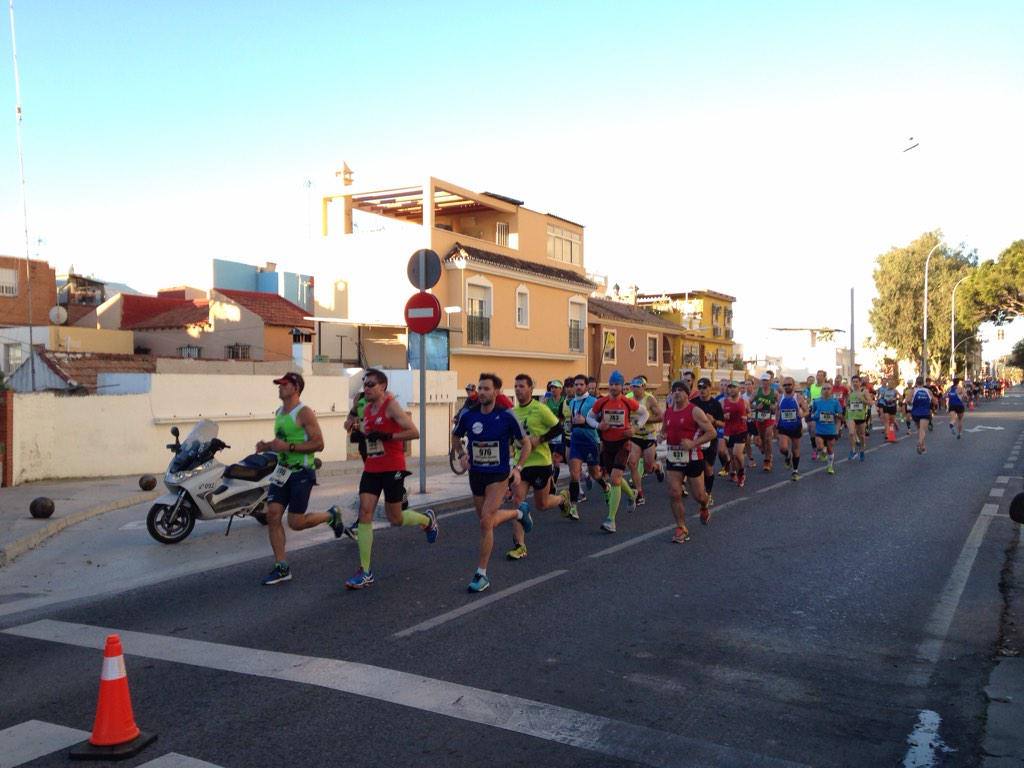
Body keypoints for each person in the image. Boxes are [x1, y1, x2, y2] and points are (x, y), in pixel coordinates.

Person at [343, 369, 438, 589]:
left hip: (393, 466)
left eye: (371, 384)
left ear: (383, 386)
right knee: (364, 512)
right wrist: (356, 429)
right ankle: (365, 571)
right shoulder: (366, 408)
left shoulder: (391, 405)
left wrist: (388, 436)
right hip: (372, 466)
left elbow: (414, 432)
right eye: (365, 384)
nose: (366, 388)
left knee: (395, 517)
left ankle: (427, 521)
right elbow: (364, 428)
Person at [258, 372, 344, 585]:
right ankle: (281, 567)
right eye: (279, 384)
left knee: (295, 523)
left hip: (301, 472)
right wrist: (267, 446)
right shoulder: (279, 412)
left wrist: (288, 447)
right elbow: (281, 441)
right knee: (272, 515)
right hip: (282, 471)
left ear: (296, 388)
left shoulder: (304, 413)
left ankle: (331, 515)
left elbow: (319, 444)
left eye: (284, 384)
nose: (280, 387)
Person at [452, 373, 535, 593]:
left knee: (486, 521)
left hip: (498, 475)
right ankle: (518, 513)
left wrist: (518, 468)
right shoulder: (468, 414)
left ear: (496, 392)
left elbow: (526, 444)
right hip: (476, 474)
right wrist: (461, 454)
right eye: (480, 388)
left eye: (486, 389)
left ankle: (481, 574)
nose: (481, 392)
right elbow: (455, 436)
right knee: (485, 520)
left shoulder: (506, 415)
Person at [507, 374, 571, 561]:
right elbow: (511, 437)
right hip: (521, 464)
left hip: (541, 462)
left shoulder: (540, 409)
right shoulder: (512, 413)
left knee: (541, 505)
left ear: (530, 389)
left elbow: (558, 428)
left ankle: (562, 499)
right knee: (517, 501)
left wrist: (540, 439)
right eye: (516, 386)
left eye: (522, 386)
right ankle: (520, 546)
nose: (518, 389)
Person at [661, 380, 716, 540]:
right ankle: (681, 527)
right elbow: (664, 430)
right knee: (674, 493)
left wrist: (693, 443)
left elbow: (711, 432)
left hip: (693, 458)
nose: (677, 393)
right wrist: (661, 436)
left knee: (699, 496)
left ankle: (704, 505)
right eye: (674, 390)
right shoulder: (668, 412)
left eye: (680, 390)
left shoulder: (695, 411)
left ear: (687, 394)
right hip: (673, 457)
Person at [590, 370, 642, 533]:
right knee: (615, 479)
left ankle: (611, 520)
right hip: (607, 444)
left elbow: (645, 413)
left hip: (622, 444)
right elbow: (590, 417)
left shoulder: (627, 402)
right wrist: (598, 425)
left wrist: (635, 428)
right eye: (611, 384)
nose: (613, 387)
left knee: (614, 478)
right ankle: (632, 495)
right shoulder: (601, 402)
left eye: (617, 384)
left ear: (622, 386)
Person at [564, 373, 605, 520]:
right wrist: (570, 425)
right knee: (574, 473)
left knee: (595, 473)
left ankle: (605, 487)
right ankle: (573, 506)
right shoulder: (572, 403)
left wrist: (585, 422)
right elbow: (572, 420)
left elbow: (601, 422)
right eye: (576, 385)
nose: (578, 387)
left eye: (581, 384)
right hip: (576, 441)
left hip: (590, 441)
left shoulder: (594, 402)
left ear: (587, 386)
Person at [626, 376, 663, 506]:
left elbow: (660, 417)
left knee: (648, 467)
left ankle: (657, 467)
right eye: (633, 386)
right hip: (635, 436)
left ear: (644, 387)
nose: (635, 389)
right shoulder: (628, 398)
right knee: (632, 463)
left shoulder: (649, 399)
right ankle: (639, 493)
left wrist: (644, 420)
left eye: (638, 387)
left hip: (648, 435)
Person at [692, 377, 725, 505]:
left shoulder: (716, 404)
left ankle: (708, 493)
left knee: (708, 467)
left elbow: (723, 424)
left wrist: (714, 421)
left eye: (704, 387)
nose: (702, 390)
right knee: (696, 467)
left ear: (710, 388)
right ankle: (699, 491)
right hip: (696, 439)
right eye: (699, 387)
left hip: (710, 439)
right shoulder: (693, 403)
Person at [775, 376, 807, 481]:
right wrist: (776, 422)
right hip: (783, 426)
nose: (787, 387)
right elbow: (777, 410)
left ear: (793, 385)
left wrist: (802, 415)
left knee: (795, 449)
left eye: (789, 384)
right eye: (785, 385)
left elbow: (806, 410)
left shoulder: (798, 397)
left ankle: (795, 471)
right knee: (782, 448)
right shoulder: (780, 397)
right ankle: (788, 456)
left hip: (795, 426)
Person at [810, 381, 843, 475]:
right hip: (819, 429)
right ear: (821, 391)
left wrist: (836, 416)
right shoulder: (816, 401)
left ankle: (830, 466)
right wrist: (815, 416)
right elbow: (812, 414)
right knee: (820, 447)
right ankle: (822, 451)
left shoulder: (835, 402)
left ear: (832, 390)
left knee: (830, 449)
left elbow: (840, 416)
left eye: (828, 389)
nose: (826, 390)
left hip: (831, 430)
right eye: (824, 389)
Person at [722, 381, 750, 487]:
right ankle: (736, 473)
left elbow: (750, 413)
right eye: (730, 387)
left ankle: (741, 472)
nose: (732, 389)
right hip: (728, 432)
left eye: (734, 387)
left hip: (741, 430)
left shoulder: (744, 402)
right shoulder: (723, 402)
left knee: (737, 453)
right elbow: (718, 417)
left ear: (739, 389)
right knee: (732, 456)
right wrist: (724, 417)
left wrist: (746, 417)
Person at [751, 374, 778, 471]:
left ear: (770, 381)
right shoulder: (756, 392)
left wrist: (774, 407)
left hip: (770, 418)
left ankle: (767, 460)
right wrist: (756, 407)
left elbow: (779, 404)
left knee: (768, 438)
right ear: (761, 381)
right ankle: (765, 450)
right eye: (763, 380)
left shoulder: (774, 393)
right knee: (762, 439)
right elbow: (748, 404)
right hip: (759, 418)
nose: (765, 382)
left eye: (766, 380)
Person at [845, 374, 873, 461]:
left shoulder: (864, 391)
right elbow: (847, 404)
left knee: (862, 436)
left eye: (856, 382)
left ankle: (862, 450)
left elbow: (871, 403)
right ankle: (853, 451)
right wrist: (847, 405)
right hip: (851, 416)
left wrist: (862, 400)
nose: (855, 383)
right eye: (853, 382)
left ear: (860, 382)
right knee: (851, 433)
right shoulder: (850, 392)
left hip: (861, 416)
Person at [909, 376, 938, 454]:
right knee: (922, 430)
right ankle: (919, 443)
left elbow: (908, 401)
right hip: (925, 412)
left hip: (915, 413)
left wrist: (912, 402)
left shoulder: (913, 391)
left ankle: (923, 447)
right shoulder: (928, 391)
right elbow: (935, 402)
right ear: (923, 383)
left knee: (919, 429)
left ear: (916, 383)